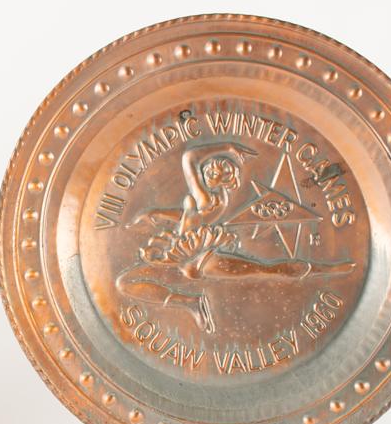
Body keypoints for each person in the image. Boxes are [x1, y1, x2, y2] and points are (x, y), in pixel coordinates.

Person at [117, 143, 353, 334]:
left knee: (267, 270)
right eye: (208, 169)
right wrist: (157, 213)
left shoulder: (204, 198)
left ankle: (326, 269)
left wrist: (228, 147)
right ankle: (190, 303)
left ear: (218, 177)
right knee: (265, 269)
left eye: (211, 170)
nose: (205, 172)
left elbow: (189, 158)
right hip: (189, 256)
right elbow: (190, 218)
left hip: (190, 257)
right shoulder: (212, 201)